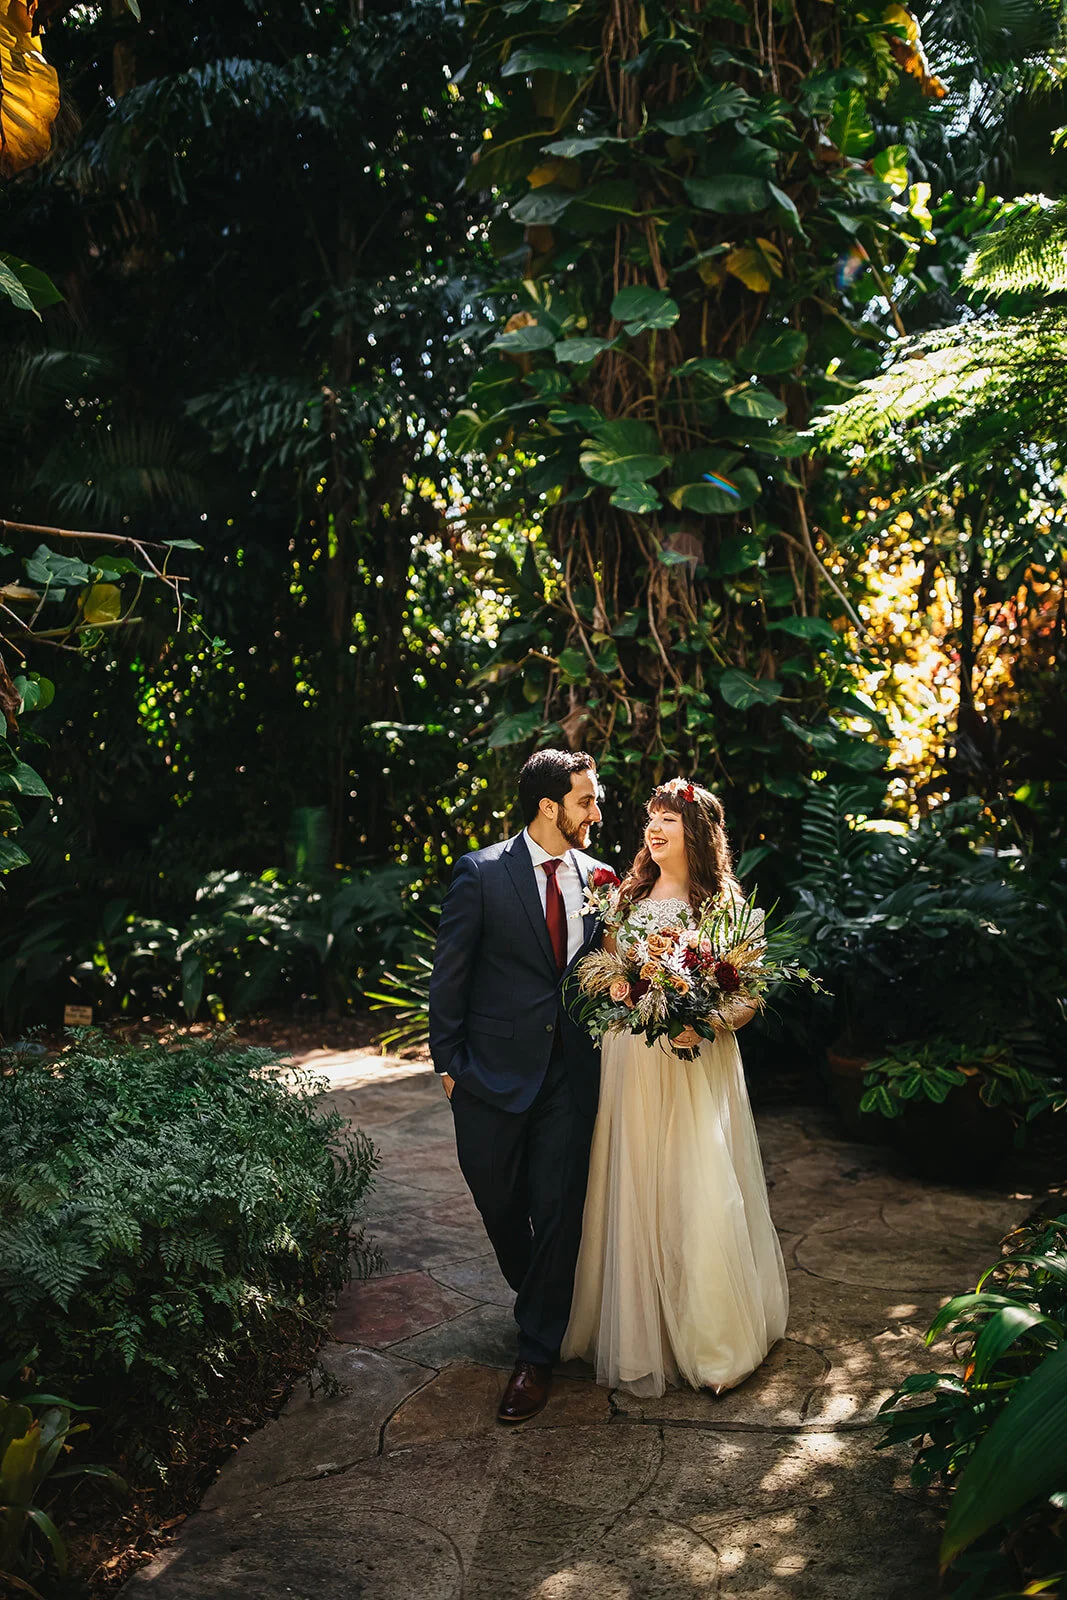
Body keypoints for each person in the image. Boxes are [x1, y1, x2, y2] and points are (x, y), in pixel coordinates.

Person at [561, 778, 788, 1396]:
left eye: (668, 819)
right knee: (636, 1180)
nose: (654, 829)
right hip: (632, 1060)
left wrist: (706, 1022)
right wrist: (621, 990)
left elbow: (747, 995)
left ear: (698, 833)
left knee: (696, 1183)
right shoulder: (627, 896)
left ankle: (712, 1342)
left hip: (693, 1064)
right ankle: (641, 1330)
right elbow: (611, 970)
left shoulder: (725, 906)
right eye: (651, 819)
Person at [428, 748, 610, 1423]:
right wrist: (450, 1069)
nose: (596, 812)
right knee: (501, 1207)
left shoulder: (602, 880)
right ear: (548, 806)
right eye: (586, 800)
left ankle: (536, 1354)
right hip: (488, 1077)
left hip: (570, 1075)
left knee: (558, 1210)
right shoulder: (480, 873)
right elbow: (450, 975)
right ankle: (541, 1296)